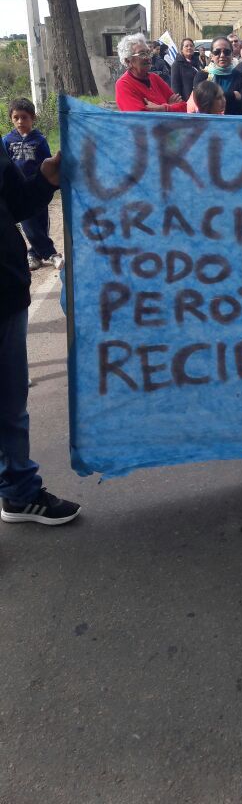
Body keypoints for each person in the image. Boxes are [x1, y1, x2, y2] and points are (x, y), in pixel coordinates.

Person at [0, 139, 80, 524]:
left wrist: (46, 179)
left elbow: (15, 203)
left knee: (10, 407)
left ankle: (19, 493)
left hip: (6, 292)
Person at [3, 98, 64, 271]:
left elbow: (46, 161)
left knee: (41, 222)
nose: (20, 121)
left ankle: (33, 254)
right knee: (28, 223)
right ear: (11, 118)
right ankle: (51, 253)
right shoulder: (6, 141)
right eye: (16, 117)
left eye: (25, 117)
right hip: (18, 189)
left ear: (33, 118)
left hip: (38, 188)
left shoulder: (39, 140)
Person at [115, 34, 187, 112]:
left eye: (149, 53)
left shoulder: (154, 78)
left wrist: (164, 108)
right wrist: (169, 106)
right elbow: (143, 119)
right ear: (128, 61)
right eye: (142, 54)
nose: (148, 57)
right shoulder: (124, 84)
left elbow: (184, 107)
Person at [193, 36, 242, 115]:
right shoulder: (202, 76)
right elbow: (201, 100)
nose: (222, 55)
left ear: (232, 54)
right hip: (207, 123)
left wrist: (213, 97)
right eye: (217, 52)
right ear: (211, 55)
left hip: (234, 124)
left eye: (226, 52)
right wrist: (233, 95)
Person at [170, 38, 200, 102]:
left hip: (198, 100)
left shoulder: (197, 62)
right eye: (186, 46)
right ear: (182, 50)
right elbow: (175, 87)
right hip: (186, 101)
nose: (189, 48)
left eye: (191, 46)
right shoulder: (176, 65)